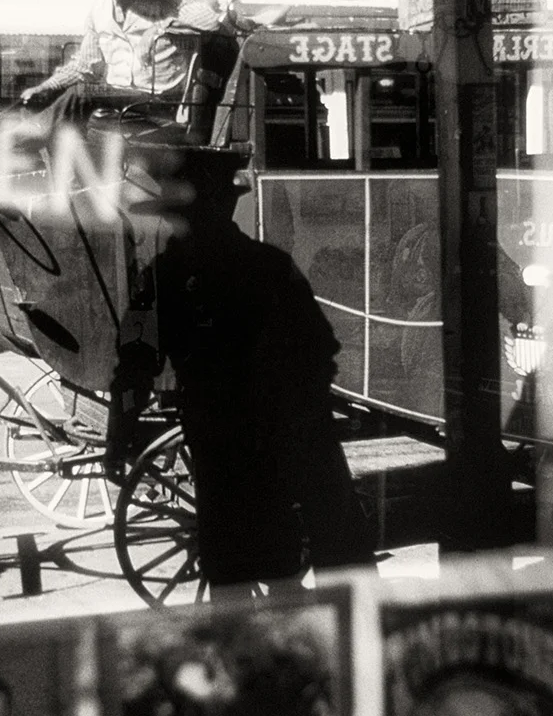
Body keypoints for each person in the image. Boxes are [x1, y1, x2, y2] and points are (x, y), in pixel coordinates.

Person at [107, 157, 376, 601]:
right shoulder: (271, 267)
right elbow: (321, 349)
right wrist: (297, 413)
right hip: (272, 439)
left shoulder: (161, 280)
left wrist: (119, 439)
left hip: (218, 442)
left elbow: (134, 366)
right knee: (280, 556)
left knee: (233, 567)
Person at [16, 0, 228, 135]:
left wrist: (159, 28)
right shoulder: (100, 9)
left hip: (160, 100)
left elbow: (210, 21)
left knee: (82, 93)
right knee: (41, 101)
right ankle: (31, 146)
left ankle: (17, 140)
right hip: (117, 95)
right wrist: (47, 86)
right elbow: (86, 65)